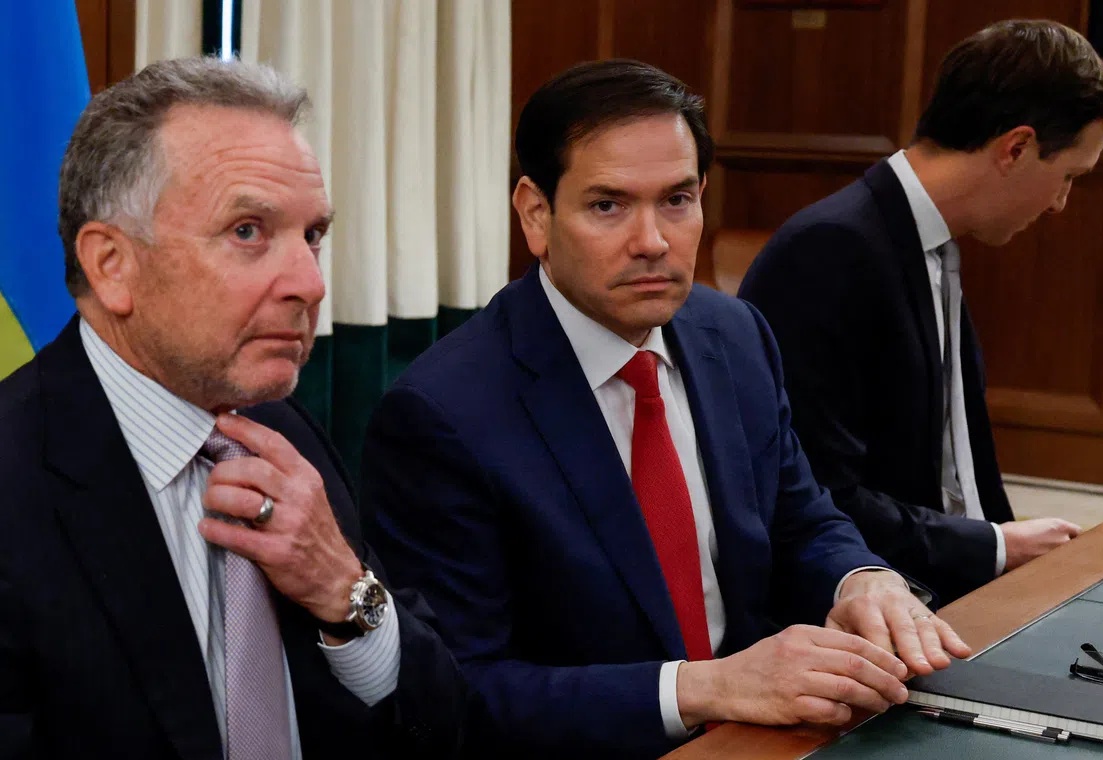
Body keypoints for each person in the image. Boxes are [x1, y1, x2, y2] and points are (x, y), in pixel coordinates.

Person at [360, 59, 971, 760]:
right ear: (535, 213)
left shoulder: (734, 336)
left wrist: (861, 579)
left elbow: (800, 520)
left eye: (677, 200)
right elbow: (461, 694)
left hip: (764, 738)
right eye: (608, 205)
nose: (652, 241)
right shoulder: (441, 415)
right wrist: (703, 688)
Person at [0, 57, 467, 759]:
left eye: (312, 236)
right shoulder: (14, 476)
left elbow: (449, 729)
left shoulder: (282, 432)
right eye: (248, 231)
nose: (309, 283)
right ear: (111, 265)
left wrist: (349, 598)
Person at [737, 19, 1103, 604]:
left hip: (957, 585)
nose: (1060, 204)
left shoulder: (929, 239)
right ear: (1015, 148)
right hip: (874, 606)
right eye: (1067, 176)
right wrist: (994, 547)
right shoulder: (832, 249)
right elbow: (817, 497)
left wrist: (1027, 574)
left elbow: (960, 465)